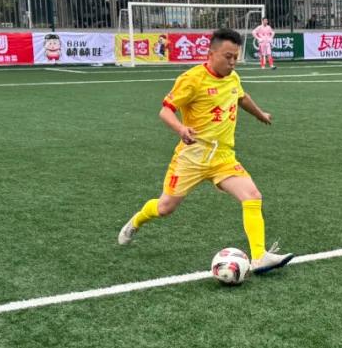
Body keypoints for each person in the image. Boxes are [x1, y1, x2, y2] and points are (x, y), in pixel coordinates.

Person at [118, 28, 293, 276]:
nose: (232, 62)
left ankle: (259, 257)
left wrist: (260, 114)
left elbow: (242, 97)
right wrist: (181, 128)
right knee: (165, 208)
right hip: (192, 157)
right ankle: (136, 221)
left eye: (235, 57)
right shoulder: (192, 79)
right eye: (227, 57)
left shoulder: (233, 78)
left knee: (252, 195)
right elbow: (165, 110)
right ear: (211, 54)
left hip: (223, 157)